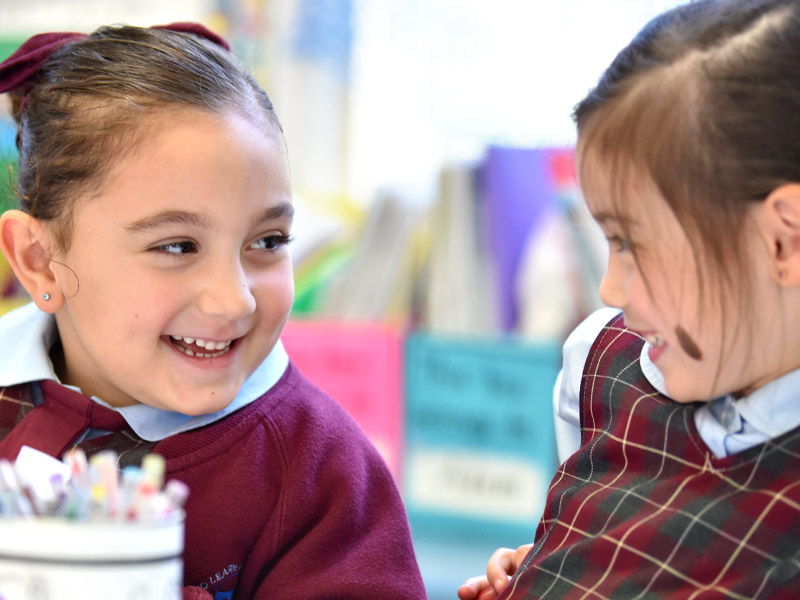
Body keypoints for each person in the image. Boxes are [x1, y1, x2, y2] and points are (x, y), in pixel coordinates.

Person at [0, 23, 426, 600]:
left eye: (268, 240)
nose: (236, 300)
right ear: (40, 261)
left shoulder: (320, 471)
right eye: (177, 247)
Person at [458, 0, 800, 597]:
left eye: (630, 244)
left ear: (783, 240)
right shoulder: (599, 359)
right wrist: (543, 566)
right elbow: (598, 523)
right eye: (605, 239)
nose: (609, 290)